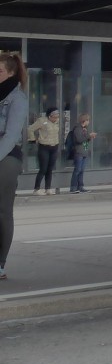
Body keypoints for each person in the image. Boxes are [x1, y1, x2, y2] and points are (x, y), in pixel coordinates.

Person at [0, 52, 31, 281]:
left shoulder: (17, 98)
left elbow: (11, 136)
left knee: (2, 212)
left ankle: (0, 263)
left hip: (6, 156)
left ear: (11, 72)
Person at [29, 106, 61, 195]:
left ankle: (48, 188)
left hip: (54, 146)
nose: (55, 119)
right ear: (49, 116)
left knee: (50, 169)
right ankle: (36, 189)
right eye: (54, 117)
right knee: (43, 169)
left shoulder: (57, 122)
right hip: (44, 147)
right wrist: (33, 139)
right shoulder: (42, 121)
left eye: (57, 117)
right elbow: (30, 129)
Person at [68, 113, 96, 193]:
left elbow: (85, 140)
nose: (89, 122)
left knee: (82, 170)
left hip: (84, 151)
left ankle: (80, 187)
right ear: (84, 120)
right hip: (79, 152)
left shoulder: (85, 129)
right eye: (88, 120)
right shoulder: (77, 129)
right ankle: (73, 188)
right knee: (77, 170)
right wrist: (88, 136)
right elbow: (79, 140)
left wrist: (90, 137)